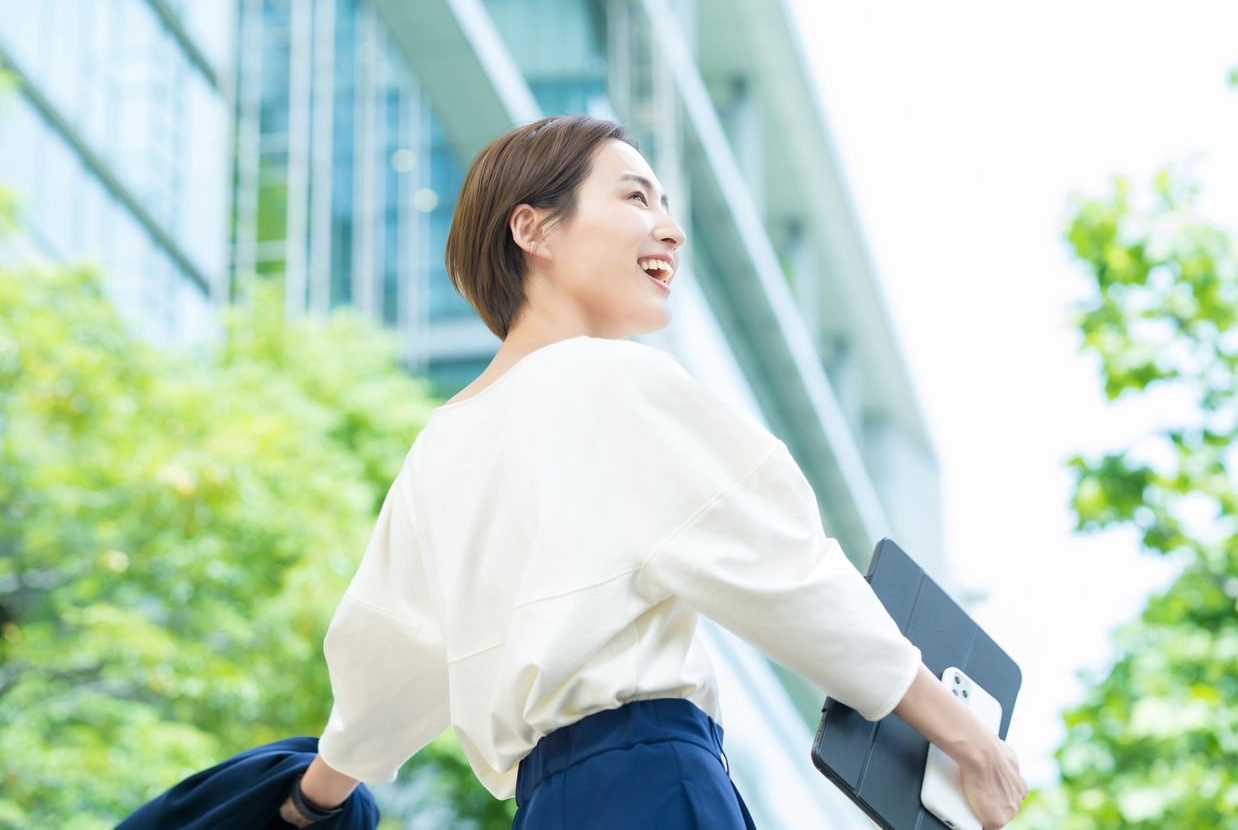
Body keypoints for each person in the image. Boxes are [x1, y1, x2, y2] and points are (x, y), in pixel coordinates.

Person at [281, 114, 1028, 828]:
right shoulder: (611, 379)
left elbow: (390, 665)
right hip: (654, 781)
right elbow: (790, 573)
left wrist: (305, 803)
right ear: (532, 229)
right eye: (636, 197)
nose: (670, 228)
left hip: (545, 809)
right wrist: (966, 735)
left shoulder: (438, 451)